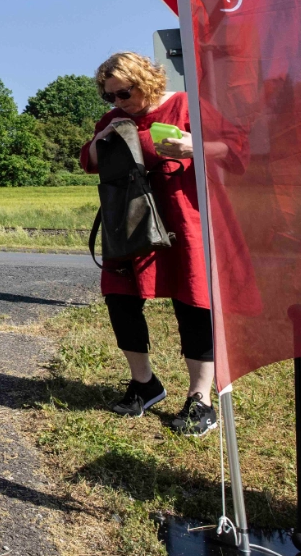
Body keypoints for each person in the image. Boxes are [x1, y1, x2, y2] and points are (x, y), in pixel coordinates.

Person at [79, 51, 219, 437]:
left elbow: (233, 151)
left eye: (123, 93)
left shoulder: (187, 106)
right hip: (129, 222)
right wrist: (102, 139)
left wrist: (197, 148)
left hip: (182, 218)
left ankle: (200, 399)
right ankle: (145, 384)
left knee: (193, 302)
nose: (117, 103)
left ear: (145, 81)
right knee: (120, 297)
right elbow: (87, 161)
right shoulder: (114, 119)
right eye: (109, 96)